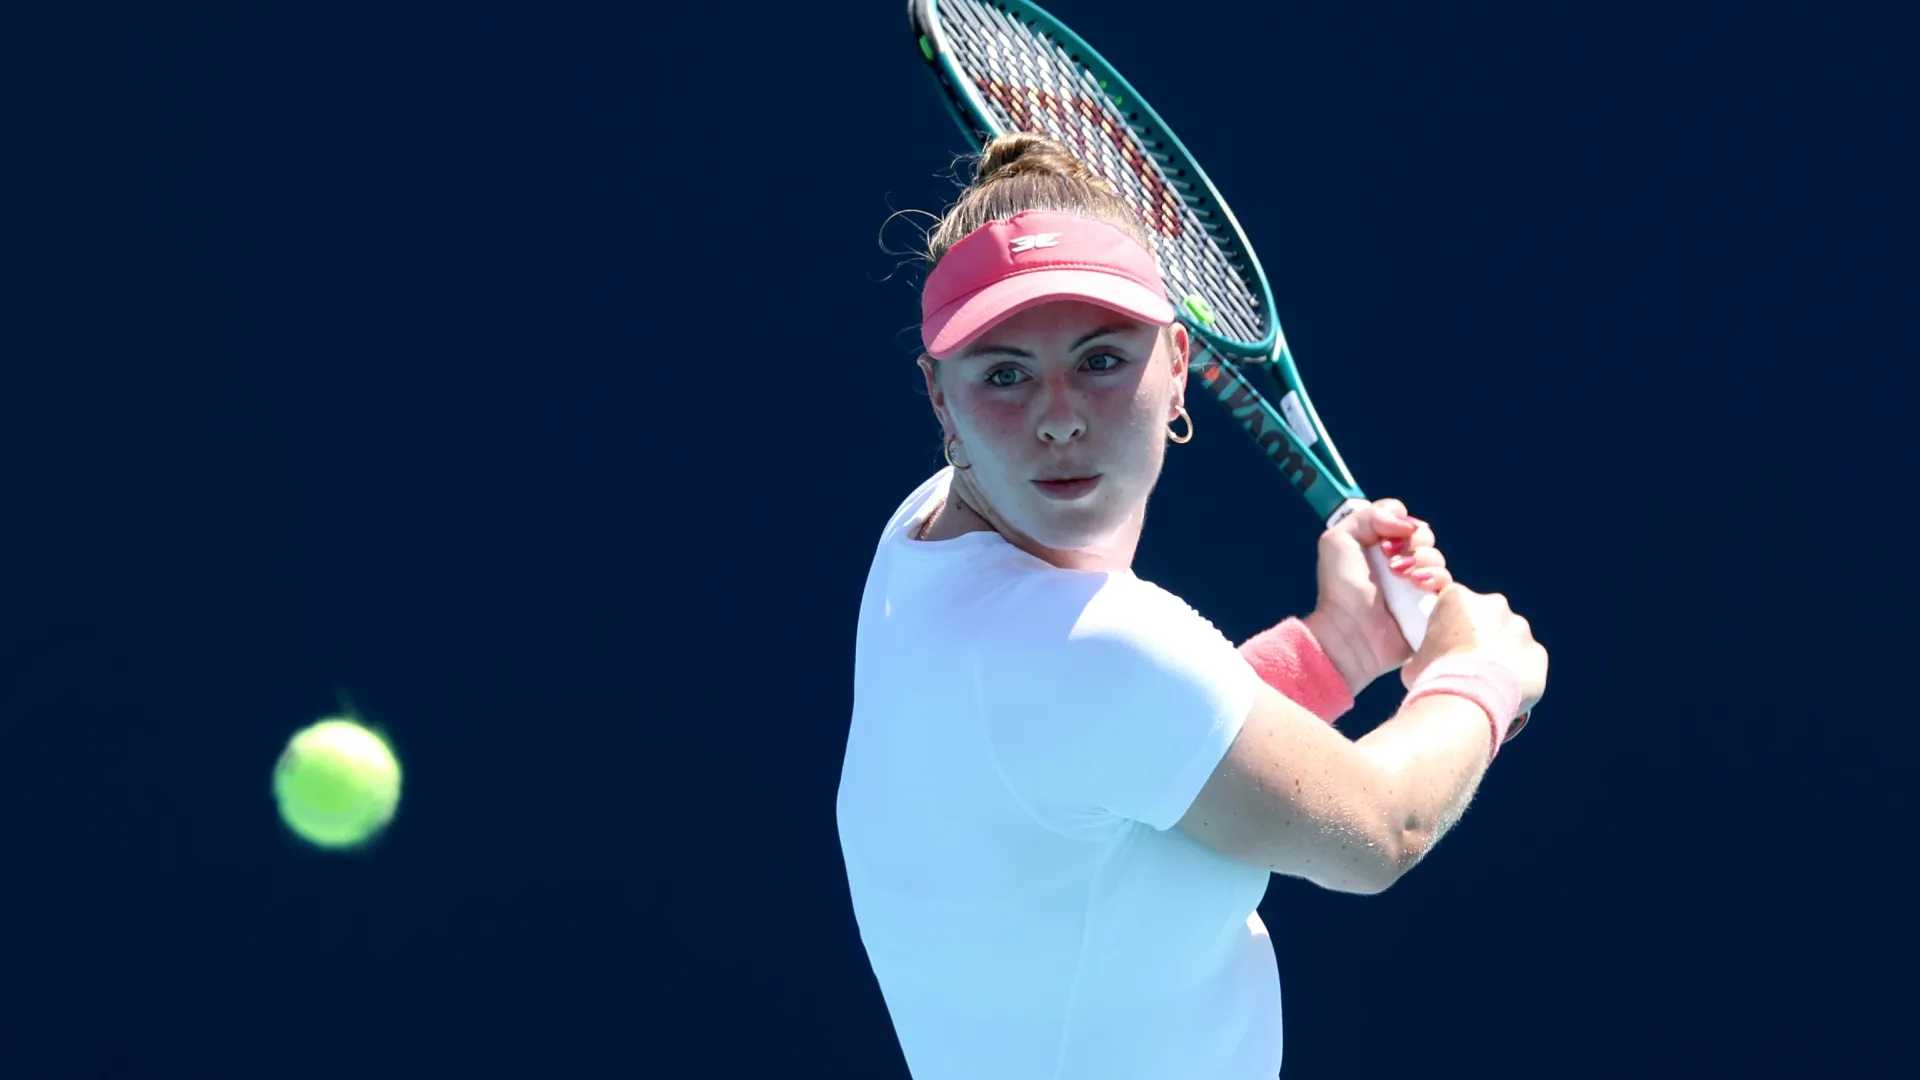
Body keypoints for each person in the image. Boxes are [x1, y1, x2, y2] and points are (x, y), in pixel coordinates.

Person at [835, 132, 1549, 1080]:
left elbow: (1123, 764)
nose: (1057, 414)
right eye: (1003, 372)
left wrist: (1332, 650)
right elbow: (1382, 831)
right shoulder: (1090, 646)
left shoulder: (922, 538)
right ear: (941, 397)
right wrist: (1480, 674)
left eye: (1099, 359)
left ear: (1177, 361)